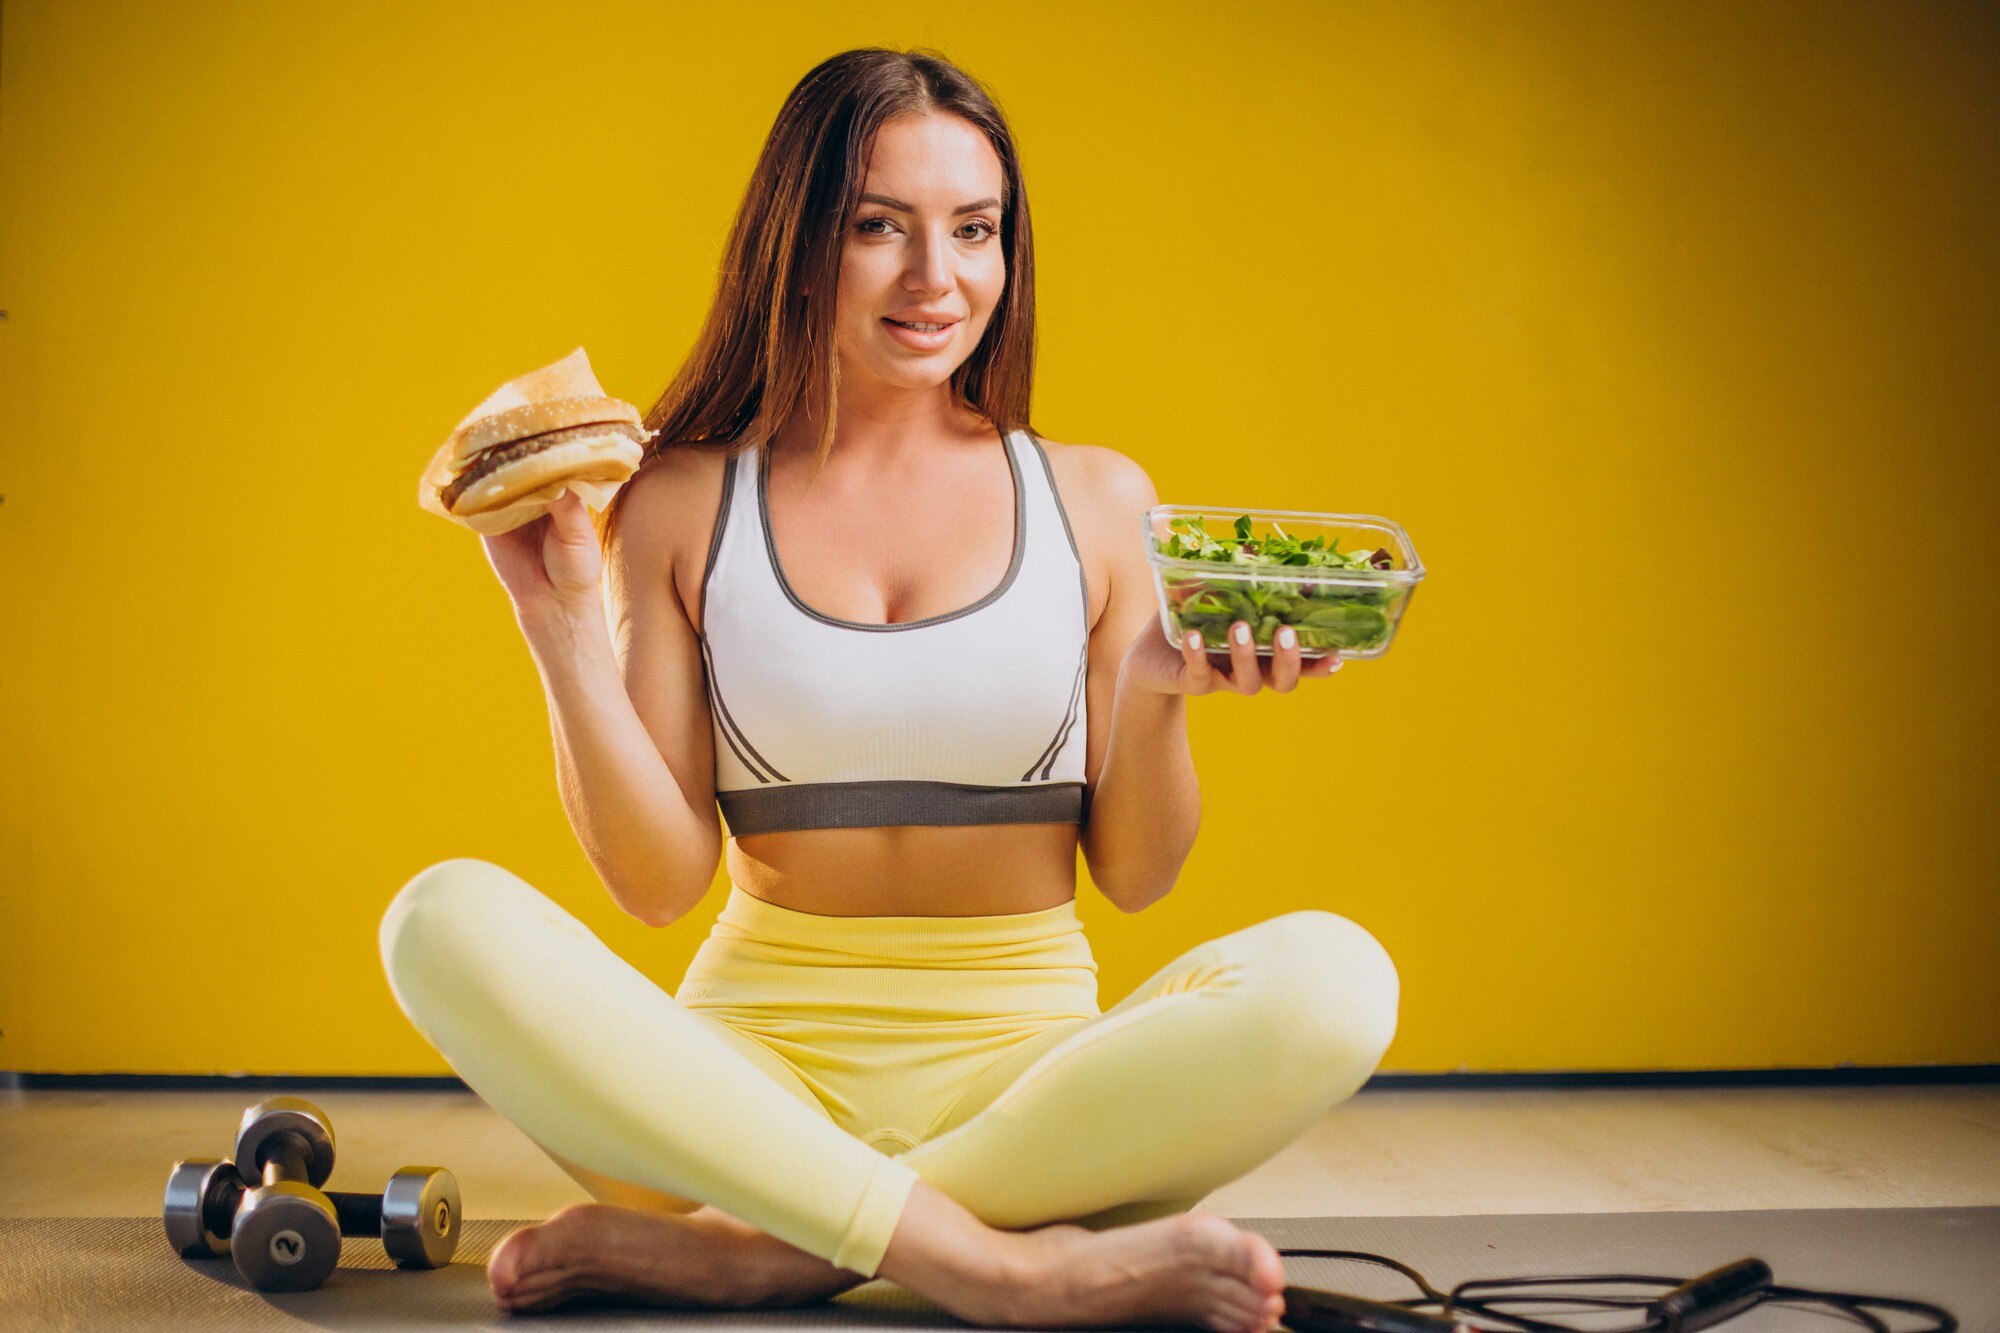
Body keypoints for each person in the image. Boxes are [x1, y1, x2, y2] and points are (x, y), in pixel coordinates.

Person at [378, 46, 1399, 1332]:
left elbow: (1135, 874)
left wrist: (1151, 692)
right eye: (879, 228)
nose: (938, 278)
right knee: (436, 919)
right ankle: (994, 1264)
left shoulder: (1096, 499)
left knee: (1340, 979)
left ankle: (757, 1252)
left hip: (1037, 1093)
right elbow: (657, 883)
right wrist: (561, 625)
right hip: (736, 1092)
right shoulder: (685, 498)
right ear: (796, 245)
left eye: (975, 230)